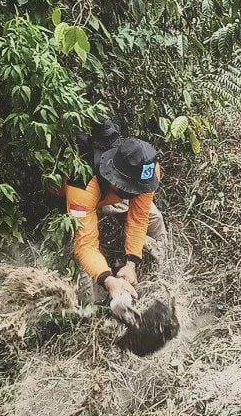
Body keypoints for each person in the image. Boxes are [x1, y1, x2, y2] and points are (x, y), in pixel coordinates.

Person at [65, 119, 166, 302]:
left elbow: (139, 217)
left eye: (139, 190)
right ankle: (89, 308)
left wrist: (131, 263)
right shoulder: (82, 183)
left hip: (112, 196)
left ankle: (163, 274)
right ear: (114, 176)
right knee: (82, 264)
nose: (137, 195)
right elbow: (86, 245)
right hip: (79, 201)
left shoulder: (147, 170)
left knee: (155, 217)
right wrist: (107, 278)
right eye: (132, 190)